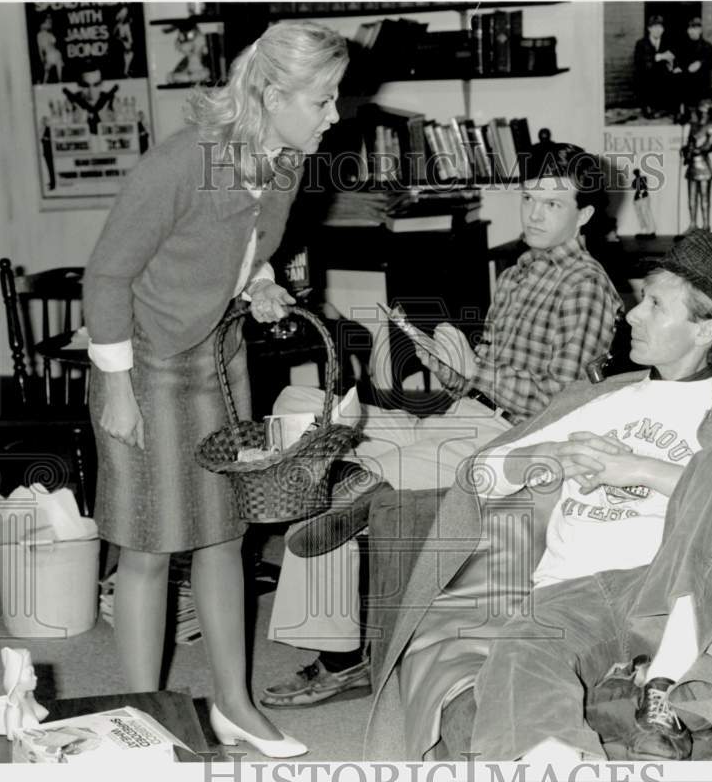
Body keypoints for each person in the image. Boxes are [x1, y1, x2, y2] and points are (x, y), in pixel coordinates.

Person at [362, 231, 712, 762]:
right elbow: (481, 477)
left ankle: (661, 683)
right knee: (522, 647)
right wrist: (546, 456)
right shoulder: (601, 399)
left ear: (704, 328)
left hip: (665, 590)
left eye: (654, 304)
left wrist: (638, 469)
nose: (631, 316)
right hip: (568, 596)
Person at [261, 142, 624, 708]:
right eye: (529, 198)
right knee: (303, 407)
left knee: (351, 470)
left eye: (552, 204)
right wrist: (445, 364)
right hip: (473, 412)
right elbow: (481, 376)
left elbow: (559, 401)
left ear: (584, 215)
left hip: (520, 438)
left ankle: (342, 654)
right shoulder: (522, 269)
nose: (532, 213)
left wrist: (473, 371)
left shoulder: (585, 285)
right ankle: (350, 486)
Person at [82, 21, 348, 758]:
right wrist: (117, 392)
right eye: (323, 99)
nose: (333, 115)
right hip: (142, 363)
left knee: (225, 537)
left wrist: (261, 285)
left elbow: (249, 250)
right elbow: (105, 276)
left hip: (218, 354)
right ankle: (144, 721)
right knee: (147, 546)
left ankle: (232, 704)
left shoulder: (287, 165)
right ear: (270, 94)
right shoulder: (180, 163)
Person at [681, 98, 712, 233]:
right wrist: (686, 150)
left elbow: (709, 145)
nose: (702, 113)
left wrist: (695, 150)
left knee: (704, 197)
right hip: (692, 164)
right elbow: (689, 143)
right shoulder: (694, 125)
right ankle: (692, 224)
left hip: (703, 164)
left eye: (704, 110)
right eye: (701, 110)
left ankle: (706, 226)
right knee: (691, 197)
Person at [633, 14, 676, 120]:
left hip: (662, 75)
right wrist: (659, 57)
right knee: (645, 77)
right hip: (646, 75)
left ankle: (670, 106)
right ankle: (647, 106)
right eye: (655, 27)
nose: (658, 30)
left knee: (675, 75)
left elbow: (672, 57)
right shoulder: (641, 43)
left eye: (660, 27)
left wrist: (671, 62)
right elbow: (640, 62)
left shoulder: (667, 42)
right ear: (649, 29)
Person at [674, 17, 712, 121]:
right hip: (686, 81)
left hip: (700, 82)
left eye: (696, 28)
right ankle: (682, 110)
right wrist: (680, 68)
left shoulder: (707, 46)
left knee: (705, 103)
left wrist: (700, 63)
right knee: (677, 82)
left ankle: (702, 110)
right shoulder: (682, 46)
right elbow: (677, 62)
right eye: (691, 29)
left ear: (700, 31)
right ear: (688, 31)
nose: (693, 31)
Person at [63, 64, 118, 136]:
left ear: (102, 84)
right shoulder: (72, 101)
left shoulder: (111, 100)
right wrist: (78, 121)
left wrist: (105, 118)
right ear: (79, 85)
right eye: (86, 86)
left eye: (96, 85)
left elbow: (119, 132)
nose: (91, 91)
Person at [632, 167, 656, 238]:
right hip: (638, 199)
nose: (636, 174)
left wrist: (642, 192)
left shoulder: (643, 178)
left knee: (646, 213)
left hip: (644, 197)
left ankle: (651, 230)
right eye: (635, 173)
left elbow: (644, 186)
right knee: (640, 214)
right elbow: (634, 186)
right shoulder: (635, 180)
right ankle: (644, 229)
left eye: (637, 172)